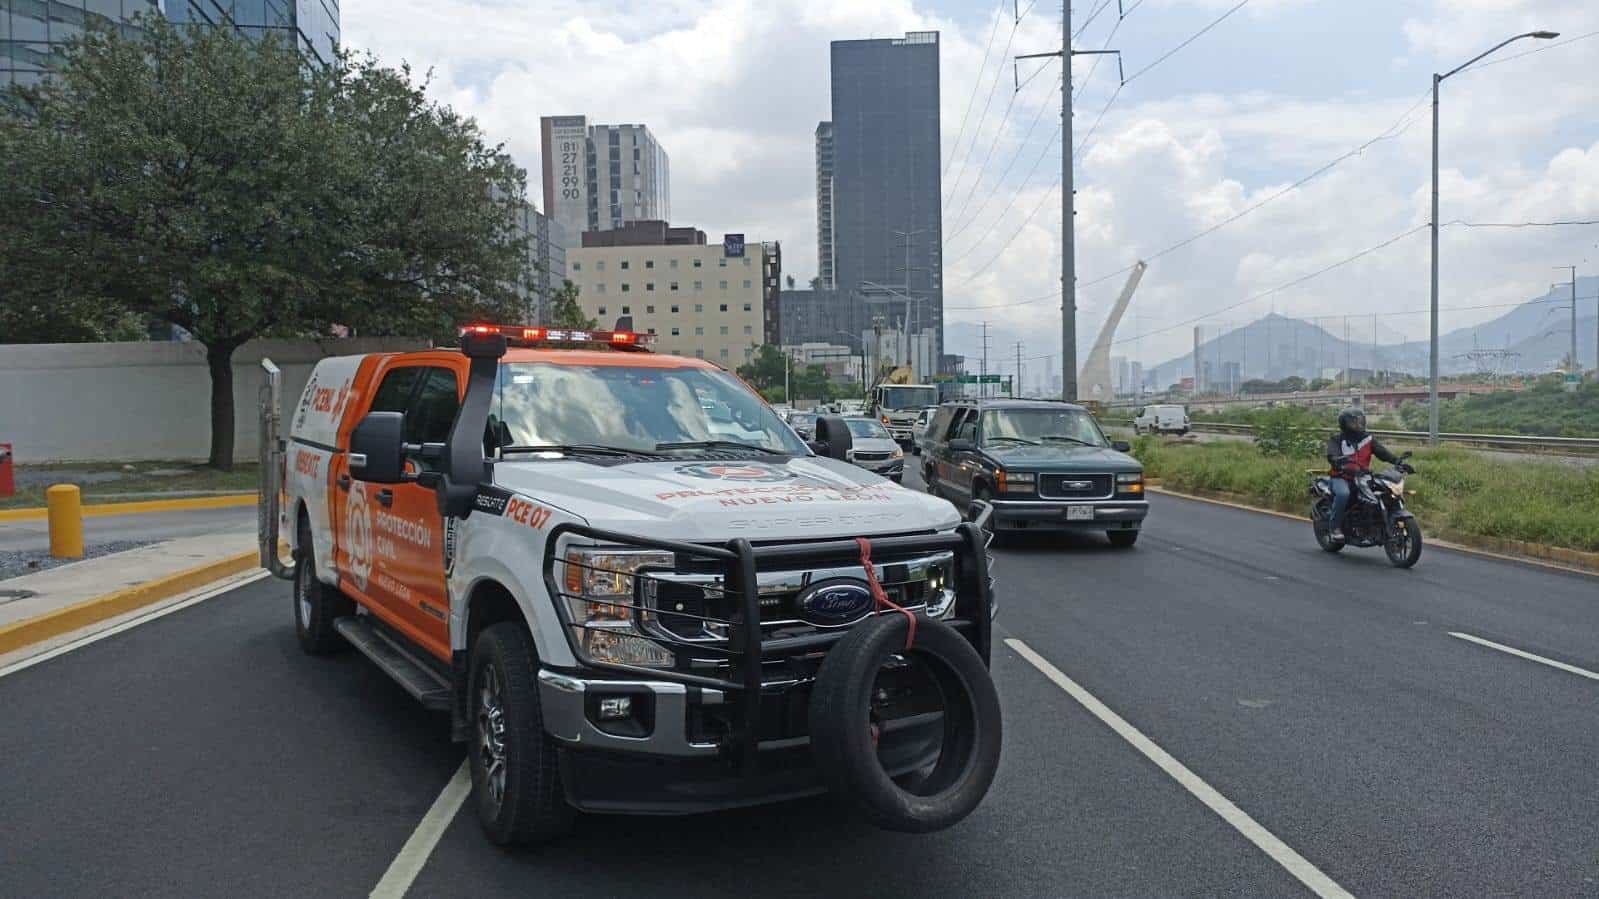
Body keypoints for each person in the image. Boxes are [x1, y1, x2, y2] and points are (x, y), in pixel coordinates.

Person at [1325, 408, 1400, 542]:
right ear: (1345, 424)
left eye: (1360, 421)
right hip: (1341, 477)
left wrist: (1397, 461)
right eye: (1354, 422)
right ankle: (1334, 528)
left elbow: (1382, 453)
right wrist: (1336, 460)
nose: (1359, 425)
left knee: (1381, 493)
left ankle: (1373, 525)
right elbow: (1332, 454)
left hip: (1363, 477)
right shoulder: (1337, 439)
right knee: (1343, 494)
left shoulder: (1368, 439)